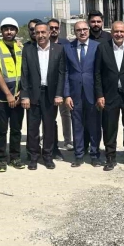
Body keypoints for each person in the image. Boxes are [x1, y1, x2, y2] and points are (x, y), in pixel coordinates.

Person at [20, 22, 65, 170]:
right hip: (33, 94)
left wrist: (59, 94)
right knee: (33, 128)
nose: (40, 35)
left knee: (49, 127)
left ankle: (47, 156)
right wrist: (25, 96)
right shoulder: (28, 49)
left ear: (49, 33)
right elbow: (24, 74)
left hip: (51, 95)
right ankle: (33, 156)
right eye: (37, 32)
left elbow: (61, 73)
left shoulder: (58, 49)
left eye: (43, 32)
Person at [94, 21, 124, 171]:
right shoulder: (102, 48)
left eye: (122, 31)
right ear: (111, 32)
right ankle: (110, 157)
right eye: (116, 31)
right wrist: (99, 94)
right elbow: (97, 73)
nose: (119, 34)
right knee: (109, 127)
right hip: (109, 95)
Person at [63, 21, 102, 167]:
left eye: (85, 29)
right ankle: (78, 155)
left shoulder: (97, 46)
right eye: (79, 30)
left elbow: (101, 72)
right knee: (77, 124)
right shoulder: (68, 48)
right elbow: (65, 72)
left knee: (94, 125)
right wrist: (67, 95)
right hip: (75, 94)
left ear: (89, 30)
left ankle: (95, 155)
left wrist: (100, 94)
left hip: (93, 92)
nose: (82, 32)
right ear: (75, 32)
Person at [0, 17, 25, 171]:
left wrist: (20, 93)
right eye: (6, 29)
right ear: (2, 31)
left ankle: (15, 157)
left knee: (16, 129)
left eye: (12, 29)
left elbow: (25, 72)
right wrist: (8, 95)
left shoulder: (21, 48)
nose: (9, 32)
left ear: (16, 31)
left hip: (18, 97)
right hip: (2, 98)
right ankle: (1, 159)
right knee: (1, 130)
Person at [48, 18, 73, 152]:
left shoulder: (66, 43)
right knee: (48, 115)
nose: (53, 30)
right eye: (51, 28)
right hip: (48, 86)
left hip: (63, 84)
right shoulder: (43, 43)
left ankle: (68, 141)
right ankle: (49, 139)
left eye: (56, 28)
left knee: (65, 114)